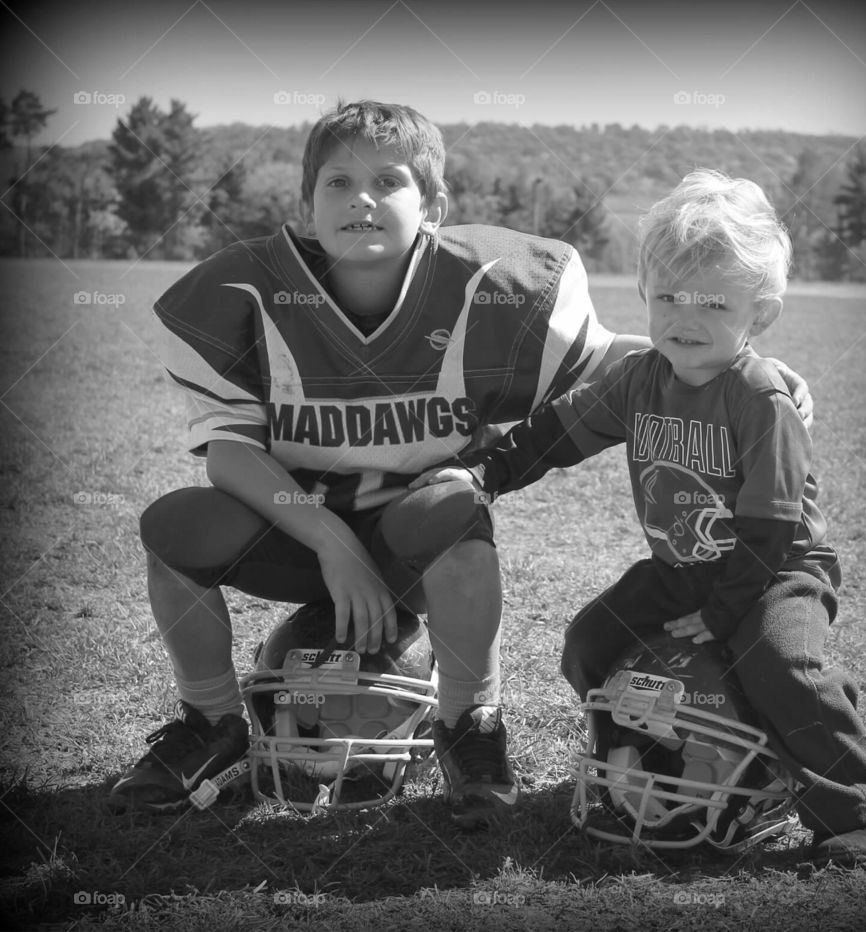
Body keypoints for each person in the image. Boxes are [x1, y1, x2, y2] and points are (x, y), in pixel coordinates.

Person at [110, 102, 812, 829]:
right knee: (176, 526)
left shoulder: (486, 284)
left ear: (434, 204)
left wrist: (744, 371)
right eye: (338, 183)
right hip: (298, 538)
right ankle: (211, 721)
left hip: (419, 542)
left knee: (452, 506)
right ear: (304, 208)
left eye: (389, 181)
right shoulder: (247, 290)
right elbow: (229, 452)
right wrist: (329, 540)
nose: (362, 199)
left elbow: (615, 363)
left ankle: (468, 719)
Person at [415, 168, 866, 863]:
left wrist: (727, 614)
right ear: (643, 293)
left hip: (774, 572)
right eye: (667, 296)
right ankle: (651, 756)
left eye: (710, 303)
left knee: (779, 661)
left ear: (761, 313)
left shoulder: (761, 398)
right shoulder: (641, 377)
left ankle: (852, 808)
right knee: (589, 645)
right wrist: (489, 473)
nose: (683, 319)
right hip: (680, 571)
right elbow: (559, 433)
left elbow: (770, 528)